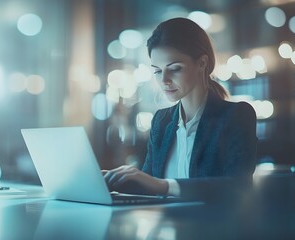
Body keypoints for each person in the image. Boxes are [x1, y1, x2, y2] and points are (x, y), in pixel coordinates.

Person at [102, 17, 257, 198]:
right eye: (158, 71)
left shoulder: (235, 116)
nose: (164, 81)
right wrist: (115, 180)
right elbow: (149, 187)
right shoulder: (162, 120)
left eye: (174, 69)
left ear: (202, 63)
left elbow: (237, 187)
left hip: (215, 225)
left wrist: (163, 185)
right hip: (165, 224)